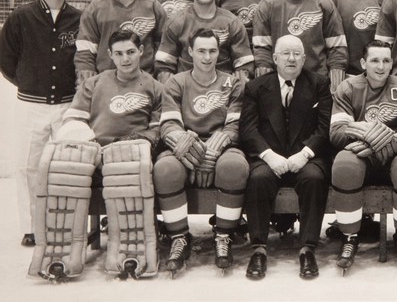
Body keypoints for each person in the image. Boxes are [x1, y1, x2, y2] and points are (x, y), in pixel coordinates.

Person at [31, 29, 162, 281]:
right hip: (93, 153)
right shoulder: (94, 83)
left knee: (125, 162)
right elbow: (73, 121)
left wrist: (134, 141)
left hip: (129, 155)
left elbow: (157, 131)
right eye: (120, 54)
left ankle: (129, 254)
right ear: (110, 55)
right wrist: (89, 146)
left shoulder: (155, 87)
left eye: (131, 52)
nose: (126, 59)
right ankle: (59, 255)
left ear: (141, 52)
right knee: (62, 165)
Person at [153, 28, 248, 276]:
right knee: (164, 170)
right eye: (202, 51)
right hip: (186, 145)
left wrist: (213, 151)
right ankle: (180, 237)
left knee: (235, 167)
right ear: (191, 52)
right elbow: (169, 125)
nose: (207, 57)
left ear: (219, 53)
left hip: (222, 145)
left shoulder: (232, 82)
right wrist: (192, 150)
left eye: (213, 51)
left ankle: (224, 235)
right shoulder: (176, 81)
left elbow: (235, 125)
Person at [0, 0, 81, 247]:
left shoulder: (78, 18)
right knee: (28, 167)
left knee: (69, 166)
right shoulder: (21, 17)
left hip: (68, 104)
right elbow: (5, 59)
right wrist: (28, 82)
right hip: (31, 105)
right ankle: (32, 228)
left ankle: (69, 224)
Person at [239, 35, 332, 280]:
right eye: (286, 54)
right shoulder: (256, 87)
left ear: (304, 58)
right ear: (275, 58)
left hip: (306, 156)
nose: (291, 59)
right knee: (258, 178)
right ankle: (258, 249)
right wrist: (269, 156)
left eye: (296, 54)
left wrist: (305, 154)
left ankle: (307, 249)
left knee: (314, 178)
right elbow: (248, 129)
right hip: (269, 156)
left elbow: (325, 128)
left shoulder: (319, 84)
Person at [329, 40, 397, 273]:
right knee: (344, 166)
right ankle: (350, 237)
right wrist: (372, 139)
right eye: (375, 60)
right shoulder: (348, 88)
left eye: (386, 60)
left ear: (392, 62)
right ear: (363, 63)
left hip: (395, 152)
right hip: (362, 152)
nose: (381, 66)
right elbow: (337, 133)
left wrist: (383, 141)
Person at [252, 0, 347, 92]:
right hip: (278, 84)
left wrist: (335, 89)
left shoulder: (323, 2)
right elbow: (262, 52)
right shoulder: (268, 4)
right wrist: (267, 90)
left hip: (316, 84)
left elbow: (337, 50)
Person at [75, 0, 166, 84]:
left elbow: (164, 45)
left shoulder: (151, 5)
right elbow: (85, 51)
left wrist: (160, 79)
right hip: (107, 84)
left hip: (145, 83)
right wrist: (89, 86)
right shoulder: (96, 8)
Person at [155, 0, 253, 83]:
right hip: (186, 89)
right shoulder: (177, 22)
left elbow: (243, 65)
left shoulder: (232, 22)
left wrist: (237, 87)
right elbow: (164, 66)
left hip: (222, 90)